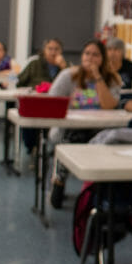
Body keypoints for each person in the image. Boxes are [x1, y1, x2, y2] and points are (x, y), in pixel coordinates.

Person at [48, 39, 122, 208]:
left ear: (103, 59)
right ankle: (59, 180)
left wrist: (97, 77)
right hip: (70, 128)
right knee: (70, 140)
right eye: (87, 53)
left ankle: (99, 188)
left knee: (107, 142)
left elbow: (109, 106)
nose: (90, 58)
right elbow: (52, 102)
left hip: (99, 129)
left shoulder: (111, 79)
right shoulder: (68, 76)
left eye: (95, 55)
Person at [16, 38, 69, 153]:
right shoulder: (35, 64)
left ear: (61, 51)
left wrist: (64, 67)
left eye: (56, 49)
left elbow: (75, 84)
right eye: (50, 49)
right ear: (44, 50)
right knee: (28, 121)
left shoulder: (66, 67)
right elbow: (19, 80)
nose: (53, 52)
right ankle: (32, 148)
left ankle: (54, 149)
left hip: (57, 106)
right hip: (37, 104)